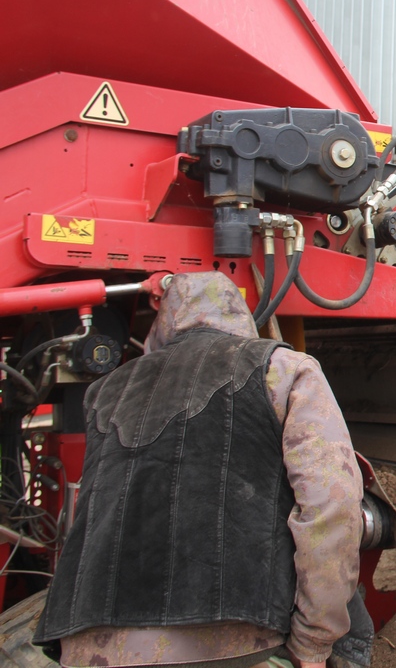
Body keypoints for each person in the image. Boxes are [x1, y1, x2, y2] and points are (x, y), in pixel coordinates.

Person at [34, 271, 370, 668]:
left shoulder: (106, 389)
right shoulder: (281, 369)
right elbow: (332, 509)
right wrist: (315, 640)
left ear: (164, 324)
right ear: (241, 315)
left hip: (88, 642)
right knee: (355, 637)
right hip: (229, 639)